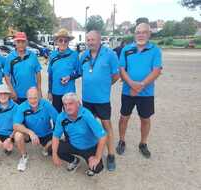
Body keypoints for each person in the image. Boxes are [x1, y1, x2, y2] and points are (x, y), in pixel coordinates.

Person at [116, 23, 162, 158]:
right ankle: (122, 140)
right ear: (134, 34)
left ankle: (143, 143)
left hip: (146, 93)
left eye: (144, 32)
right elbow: (122, 69)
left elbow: (156, 70)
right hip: (128, 91)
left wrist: (140, 85)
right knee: (124, 117)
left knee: (145, 119)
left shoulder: (155, 50)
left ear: (149, 34)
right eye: (138, 32)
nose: (140, 35)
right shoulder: (127, 49)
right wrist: (131, 84)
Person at [79, 30, 119, 171]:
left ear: (99, 39)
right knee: (90, 125)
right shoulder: (84, 55)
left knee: (106, 126)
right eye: (88, 40)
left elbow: (116, 75)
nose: (90, 42)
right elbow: (79, 72)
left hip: (102, 99)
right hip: (87, 99)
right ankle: (93, 151)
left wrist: (104, 85)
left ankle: (111, 155)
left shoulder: (110, 55)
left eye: (93, 39)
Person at [52, 93, 107, 176]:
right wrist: (54, 154)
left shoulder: (86, 115)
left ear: (78, 104)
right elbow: (55, 136)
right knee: (54, 149)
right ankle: (74, 160)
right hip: (73, 144)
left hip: (89, 147)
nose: (67, 107)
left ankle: (90, 164)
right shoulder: (61, 117)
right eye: (65, 104)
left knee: (97, 167)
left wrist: (97, 157)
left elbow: (102, 136)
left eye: (71, 103)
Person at [13, 87, 58, 171]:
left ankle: (45, 148)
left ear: (39, 97)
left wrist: (56, 135)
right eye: (30, 98)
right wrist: (30, 132)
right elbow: (15, 125)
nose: (33, 101)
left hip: (46, 133)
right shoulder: (22, 107)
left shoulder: (46, 104)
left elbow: (58, 120)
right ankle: (24, 156)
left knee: (56, 147)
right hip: (29, 134)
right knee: (18, 135)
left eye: (35, 98)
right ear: (27, 98)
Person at [47, 28, 80, 112]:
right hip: (56, 92)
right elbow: (50, 75)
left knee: (70, 116)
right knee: (56, 117)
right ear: (56, 42)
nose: (63, 43)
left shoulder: (74, 55)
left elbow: (79, 72)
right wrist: (50, 91)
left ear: (68, 42)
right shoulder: (52, 55)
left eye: (65, 41)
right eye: (60, 40)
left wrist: (69, 77)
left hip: (69, 92)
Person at [4, 32, 42, 104]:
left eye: (23, 42)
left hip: (32, 94)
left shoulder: (32, 56)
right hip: (17, 94)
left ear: (26, 43)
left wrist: (39, 90)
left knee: (32, 114)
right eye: (18, 42)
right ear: (15, 42)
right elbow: (6, 75)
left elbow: (38, 72)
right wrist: (11, 90)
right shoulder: (10, 57)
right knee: (19, 114)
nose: (21, 44)